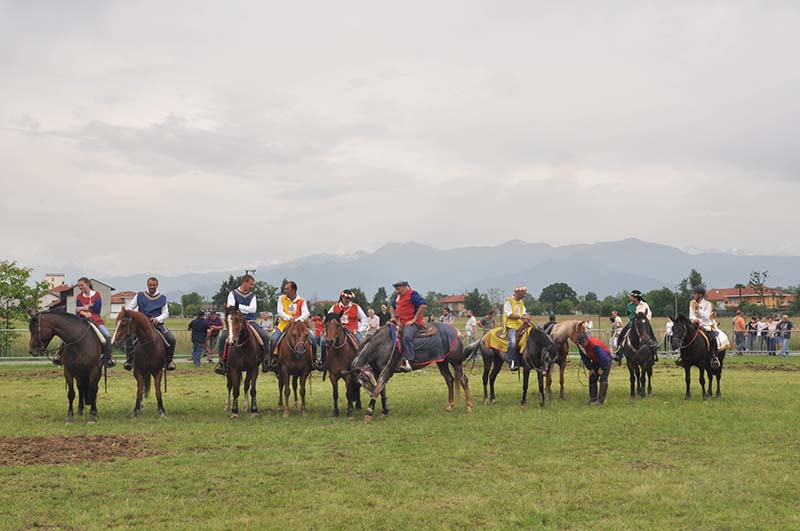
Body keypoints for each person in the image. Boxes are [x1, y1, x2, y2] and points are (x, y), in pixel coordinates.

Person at [215, 274, 272, 374]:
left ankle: (265, 360)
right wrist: (242, 309)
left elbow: (253, 309)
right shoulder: (232, 294)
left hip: (250, 321)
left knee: (265, 337)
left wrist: (238, 308)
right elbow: (231, 308)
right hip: (234, 321)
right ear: (244, 282)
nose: (252, 286)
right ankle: (221, 362)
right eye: (251, 284)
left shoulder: (252, 296)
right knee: (222, 338)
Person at [53, 277, 116, 367]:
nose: (80, 287)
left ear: (87, 284)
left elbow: (97, 308)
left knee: (106, 335)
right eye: (79, 286)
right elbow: (77, 310)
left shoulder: (97, 295)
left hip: (96, 320)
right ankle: (59, 355)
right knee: (66, 335)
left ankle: (108, 357)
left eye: (82, 285)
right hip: (81, 320)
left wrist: (83, 308)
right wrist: (85, 311)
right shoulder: (79, 296)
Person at [126, 277, 176, 370]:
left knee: (171, 339)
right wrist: (137, 317)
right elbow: (130, 308)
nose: (152, 287)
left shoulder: (162, 298)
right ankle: (129, 361)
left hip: (157, 324)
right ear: (147, 285)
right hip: (141, 325)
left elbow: (166, 313)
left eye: (154, 285)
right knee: (129, 338)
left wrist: (158, 319)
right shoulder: (139, 295)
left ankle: (169, 361)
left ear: (157, 285)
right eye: (150, 285)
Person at [272, 280, 318, 370]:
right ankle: (272, 360)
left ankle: (313, 360)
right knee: (274, 339)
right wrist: (289, 318)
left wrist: (296, 320)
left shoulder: (301, 300)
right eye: (285, 289)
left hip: (299, 327)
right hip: (284, 325)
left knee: (313, 339)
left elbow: (306, 313)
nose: (285, 290)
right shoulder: (281, 298)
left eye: (287, 289)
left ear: (293, 290)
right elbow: (280, 312)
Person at [390, 281, 427, 373]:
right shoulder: (398, 296)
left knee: (406, 337)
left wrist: (414, 320)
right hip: (399, 322)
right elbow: (392, 306)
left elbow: (423, 305)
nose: (397, 291)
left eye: (398, 289)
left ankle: (409, 361)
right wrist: (393, 317)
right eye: (396, 289)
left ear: (405, 287)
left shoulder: (412, 294)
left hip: (412, 323)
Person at [680, 286, 720, 368]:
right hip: (694, 325)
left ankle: (714, 357)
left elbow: (707, 316)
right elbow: (691, 315)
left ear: (700, 295)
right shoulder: (692, 303)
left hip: (706, 325)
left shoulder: (708, 304)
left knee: (712, 339)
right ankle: (682, 357)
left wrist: (699, 309)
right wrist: (695, 320)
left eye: (694, 294)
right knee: (684, 337)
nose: (693, 295)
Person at [614, 290, 657, 363]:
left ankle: (654, 347)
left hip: (643, 323)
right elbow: (628, 314)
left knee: (650, 333)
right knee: (622, 334)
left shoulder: (644, 305)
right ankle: (619, 350)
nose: (630, 298)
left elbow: (649, 314)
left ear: (636, 297)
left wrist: (645, 321)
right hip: (632, 323)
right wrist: (631, 319)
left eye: (631, 296)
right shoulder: (629, 305)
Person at [576, 333, 611, 405]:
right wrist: (590, 368)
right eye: (581, 344)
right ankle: (593, 398)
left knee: (603, 378)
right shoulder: (581, 346)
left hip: (606, 359)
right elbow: (584, 357)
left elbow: (602, 356)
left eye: (583, 343)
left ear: (586, 341)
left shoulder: (594, 345)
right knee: (592, 377)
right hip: (596, 360)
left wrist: (603, 368)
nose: (582, 345)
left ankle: (600, 401)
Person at [503, 286, 531, 371]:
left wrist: (527, 317)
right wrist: (521, 317)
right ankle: (511, 361)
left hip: (521, 325)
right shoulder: (508, 302)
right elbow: (510, 314)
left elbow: (524, 312)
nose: (524, 295)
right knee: (513, 342)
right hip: (511, 326)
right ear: (517, 293)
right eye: (523, 294)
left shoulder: (521, 302)